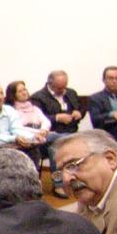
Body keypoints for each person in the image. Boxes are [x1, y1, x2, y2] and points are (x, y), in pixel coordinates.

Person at [30, 70, 82, 198]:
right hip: (48, 137)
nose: (63, 90)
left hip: (71, 132)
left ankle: (77, 179)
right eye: (59, 88)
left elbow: (81, 108)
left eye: (65, 86)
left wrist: (78, 113)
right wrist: (57, 118)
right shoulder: (38, 97)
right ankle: (58, 184)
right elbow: (36, 121)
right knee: (55, 147)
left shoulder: (71, 93)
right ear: (50, 84)